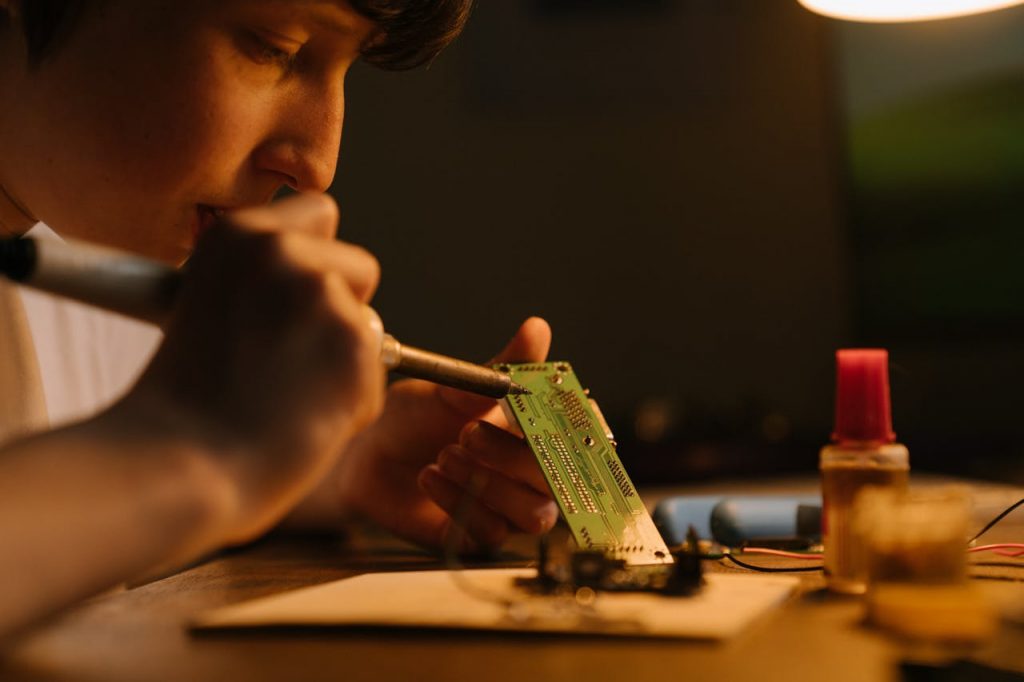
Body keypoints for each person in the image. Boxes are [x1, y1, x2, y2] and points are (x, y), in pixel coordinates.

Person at [0, 0, 558, 640]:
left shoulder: (88, 241)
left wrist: (333, 466)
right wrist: (188, 461)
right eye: (274, 48)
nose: (319, 166)